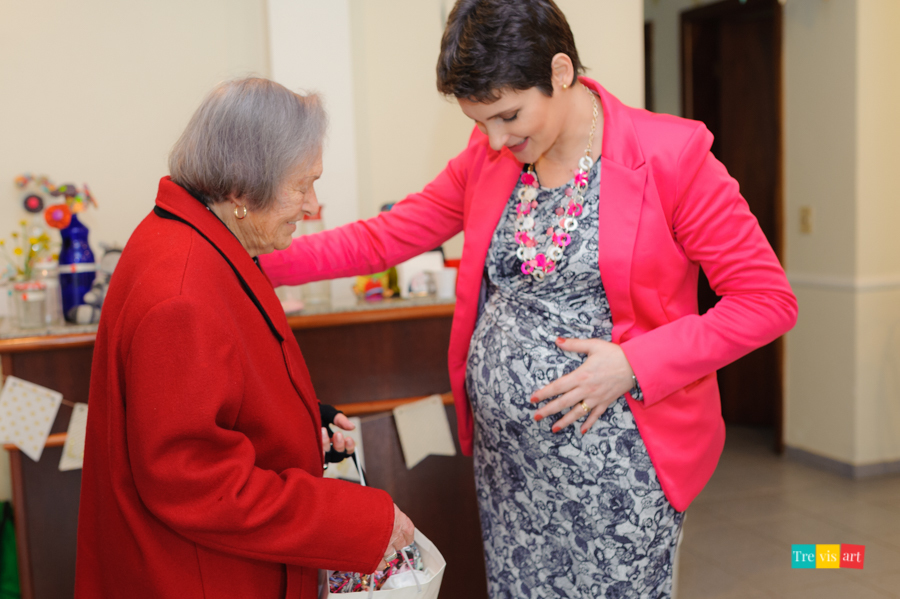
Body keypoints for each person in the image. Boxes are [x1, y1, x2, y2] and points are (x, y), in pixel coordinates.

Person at [260, 0, 798, 596]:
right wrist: (251, 260)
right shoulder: (489, 157)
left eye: (509, 115)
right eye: (480, 120)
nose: (494, 137)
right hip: (510, 470)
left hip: (618, 471)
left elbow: (766, 300)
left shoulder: (673, 157)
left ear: (561, 71)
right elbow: (386, 236)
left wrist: (633, 363)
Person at [75, 78, 415, 599]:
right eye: (303, 185)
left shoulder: (198, 239)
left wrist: (303, 422)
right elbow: (195, 480)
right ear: (240, 190)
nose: (313, 205)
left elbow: (218, 391)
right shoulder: (182, 291)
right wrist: (359, 522)